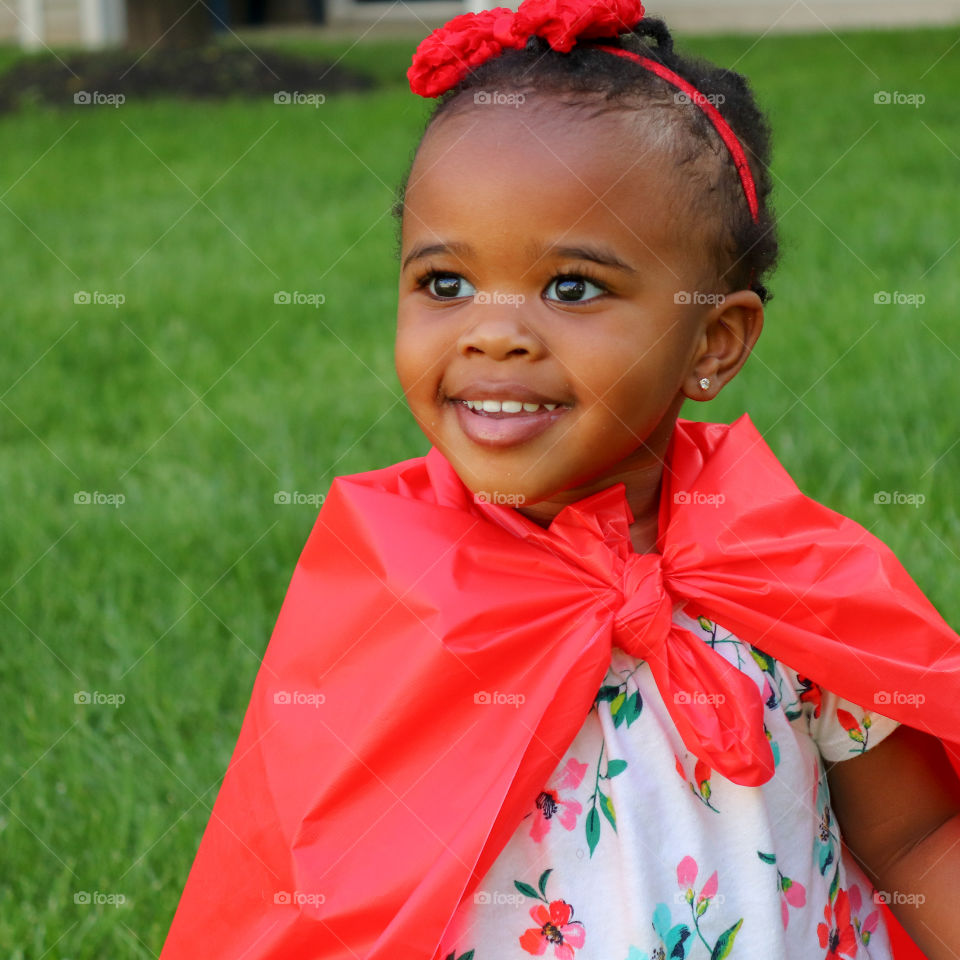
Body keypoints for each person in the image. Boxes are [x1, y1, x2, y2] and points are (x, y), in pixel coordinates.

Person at [158, 1, 960, 958]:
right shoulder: (394, 587)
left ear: (713, 339)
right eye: (444, 283)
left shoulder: (787, 571)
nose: (492, 331)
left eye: (572, 287)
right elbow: (310, 891)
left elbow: (912, 838)